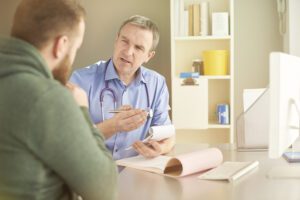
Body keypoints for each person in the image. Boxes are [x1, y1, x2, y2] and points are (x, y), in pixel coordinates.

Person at [0, 0, 117, 199]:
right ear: (61, 45)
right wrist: (82, 111)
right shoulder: (47, 98)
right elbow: (105, 190)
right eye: (75, 48)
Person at [70, 15, 175, 160]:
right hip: (92, 170)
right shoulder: (81, 80)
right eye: (125, 41)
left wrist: (159, 149)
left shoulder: (157, 83)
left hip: (136, 171)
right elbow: (69, 139)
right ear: (116, 40)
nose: (128, 51)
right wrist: (113, 125)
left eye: (138, 48)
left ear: (149, 56)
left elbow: (168, 135)